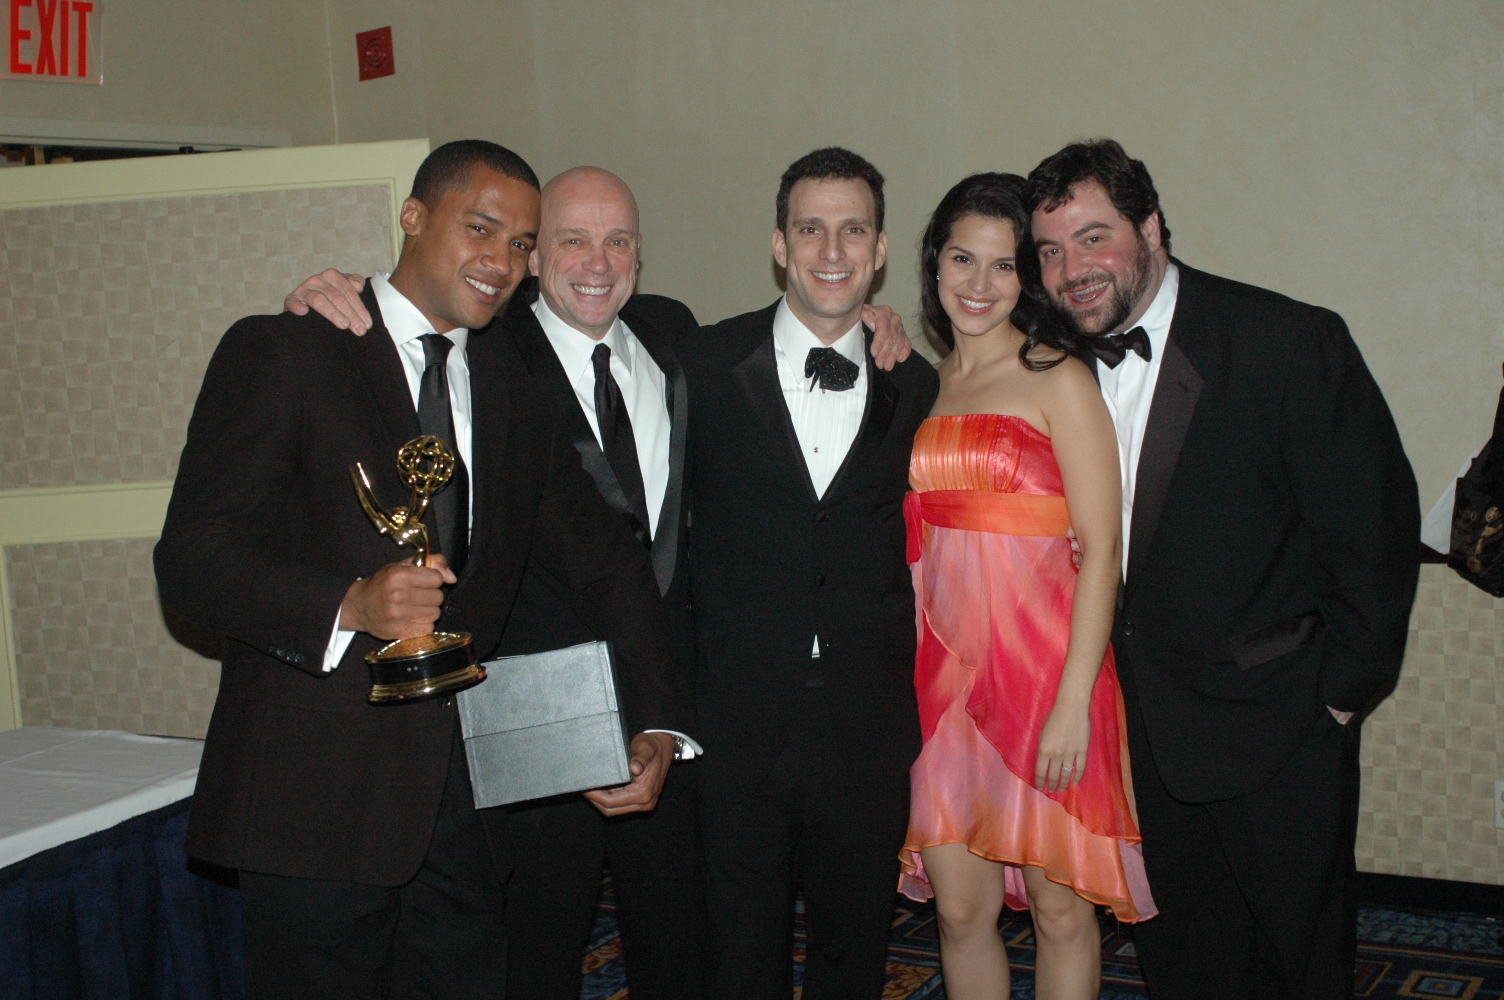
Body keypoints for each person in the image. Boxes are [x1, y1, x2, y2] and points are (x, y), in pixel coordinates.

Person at [283, 158, 918, 998]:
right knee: (534, 954)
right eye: (571, 240)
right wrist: (339, 293)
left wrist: (873, 320)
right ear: (532, 256)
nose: (597, 262)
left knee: (681, 950)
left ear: (640, 254)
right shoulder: (484, 351)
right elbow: (411, 320)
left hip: (669, 711)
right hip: (535, 708)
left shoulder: (673, 338)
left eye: (618, 241)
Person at [154, 140, 690, 998]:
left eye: (521, 243)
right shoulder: (289, 351)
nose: (501, 261)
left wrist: (658, 720)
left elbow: (609, 564)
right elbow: (193, 561)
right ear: (413, 216)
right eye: (480, 229)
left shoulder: (516, 394)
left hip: (464, 810)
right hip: (314, 802)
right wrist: (349, 604)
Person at [1024, 140, 1419, 998]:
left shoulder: (1286, 341)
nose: (1071, 270)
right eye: (1050, 251)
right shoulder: (1048, 362)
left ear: (1151, 229)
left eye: (1093, 238)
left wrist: (1339, 697)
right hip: (1134, 737)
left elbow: (1374, 532)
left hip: (1275, 727)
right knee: (1184, 966)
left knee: (1299, 964)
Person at [685, 147, 938, 1000]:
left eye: (853, 231)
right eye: (811, 230)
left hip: (867, 717)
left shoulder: (917, 384)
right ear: (779, 245)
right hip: (735, 713)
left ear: (880, 250)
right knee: (738, 946)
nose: (833, 251)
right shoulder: (703, 363)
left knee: (854, 946)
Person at [898, 172, 1155, 1000]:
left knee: (1061, 913)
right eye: (961, 259)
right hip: (941, 689)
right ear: (934, 264)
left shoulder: (1058, 379)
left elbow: (1103, 549)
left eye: (1004, 264)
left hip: (1050, 683)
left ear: (1028, 278)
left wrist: (1075, 700)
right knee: (959, 914)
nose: (979, 283)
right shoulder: (917, 386)